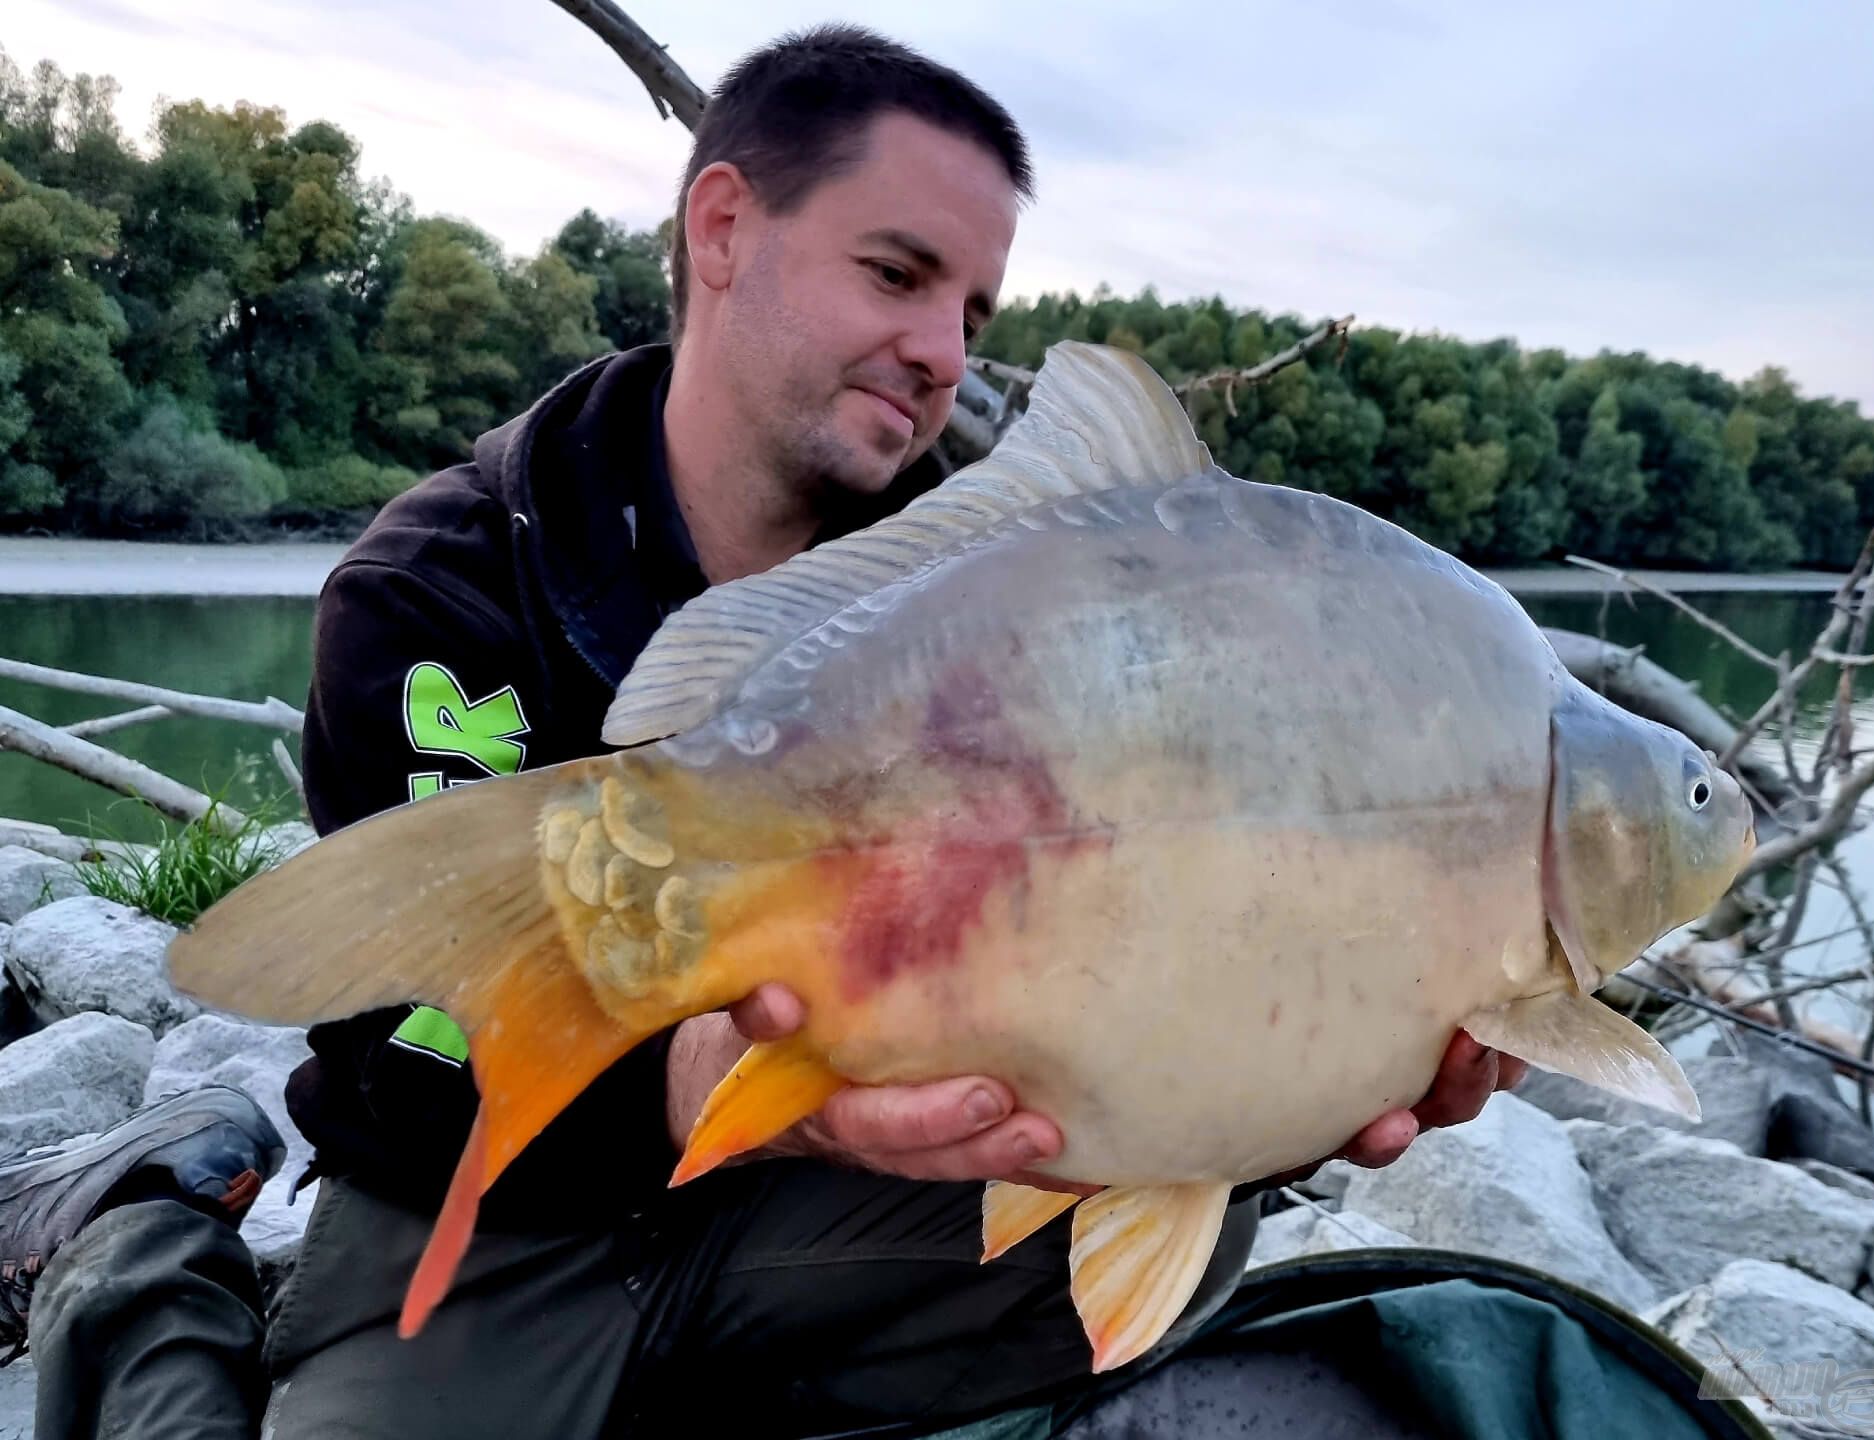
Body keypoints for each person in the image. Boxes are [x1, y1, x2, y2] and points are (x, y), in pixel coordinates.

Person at [0, 24, 1525, 1439]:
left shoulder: (1005, 600)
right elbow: (414, 1062)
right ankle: (141, 1251)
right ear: (722, 229)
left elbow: (1150, 962)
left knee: (1185, 1244)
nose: (942, 348)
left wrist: (1315, 1068)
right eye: (897, 272)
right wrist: (725, 1080)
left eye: (972, 307)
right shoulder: (444, 588)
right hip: (502, 1199)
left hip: (820, 1190)